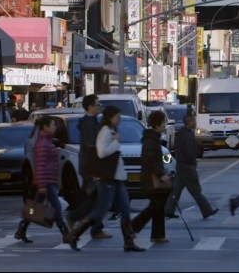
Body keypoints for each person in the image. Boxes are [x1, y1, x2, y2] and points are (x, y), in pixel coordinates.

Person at [68, 106, 145, 252]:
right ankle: (74, 234)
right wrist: (115, 142)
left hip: (116, 178)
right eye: (117, 117)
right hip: (107, 179)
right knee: (99, 212)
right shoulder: (105, 132)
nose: (119, 120)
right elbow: (102, 153)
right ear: (110, 117)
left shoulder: (111, 131)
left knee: (125, 210)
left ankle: (129, 242)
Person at [15, 116, 75, 248]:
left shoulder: (46, 141)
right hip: (46, 181)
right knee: (57, 208)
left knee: (34, 207)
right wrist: (42, 185)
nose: (55, 127)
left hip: (48, 179)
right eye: (53, 125)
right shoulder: (42, 143)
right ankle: (65, 233)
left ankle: (23, 227)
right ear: (45, 127)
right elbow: (40, 165)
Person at [65, 94, 110, 239]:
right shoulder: (89, 123)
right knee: (95, 197)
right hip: (91, 167)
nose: (100, 107)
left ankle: (95, 227)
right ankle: (78, 219)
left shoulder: (92, 121)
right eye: (98, 104)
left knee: (94, 197)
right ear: (90, 107)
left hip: (91, 166)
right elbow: (91, 147)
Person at [164, 111, 219, 219]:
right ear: (189, 122)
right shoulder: (188, 135)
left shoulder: (181, 133)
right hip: (187, 168)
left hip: (181, 166)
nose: (195, 122)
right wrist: (192, 163)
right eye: (194, 120)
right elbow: (189, 151)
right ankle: (206, 210)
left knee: (177, 189)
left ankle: (169, 209)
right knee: (196, 191)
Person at [130, 110, 172, 243]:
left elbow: (163, 159)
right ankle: (132, 226)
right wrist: (161, 174)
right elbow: (149, 161)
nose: (165, 126)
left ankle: (158, 235)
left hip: (154, 178)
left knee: (158, 207)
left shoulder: (154, 139)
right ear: (157, 124)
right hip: (151, 180)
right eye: (163, 123)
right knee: (155, 206)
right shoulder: (151, 141)